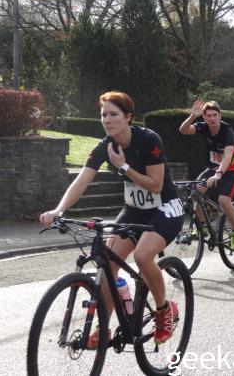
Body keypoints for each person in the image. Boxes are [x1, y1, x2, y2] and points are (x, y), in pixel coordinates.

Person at [39, 91, 184, 347]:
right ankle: (103, 327)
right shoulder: (105, 146)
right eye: (103, 114)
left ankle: (164, 311)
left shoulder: (148, 139)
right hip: (134, 210)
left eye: (113, 114)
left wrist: (124, 166)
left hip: (164, 207)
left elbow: (156, 184)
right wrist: (59, 210)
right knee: (107, 264)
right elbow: (81, 181)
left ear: (128, 117)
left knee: (142, 256)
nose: (107, 120)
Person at [178, 100, 234, 250]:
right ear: (205, 117)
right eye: (209, 116)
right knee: (195, 193)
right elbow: (183, 130)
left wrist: (219, 174)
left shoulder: (228, 131)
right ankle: (203, 226)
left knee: (224, 201)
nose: (212, 118)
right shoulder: (203, 127)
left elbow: (228, 156)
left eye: (215, 115)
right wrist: (192, 116)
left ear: (220, 115)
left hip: (231, 169)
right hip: (213, 168)